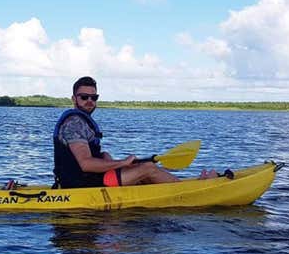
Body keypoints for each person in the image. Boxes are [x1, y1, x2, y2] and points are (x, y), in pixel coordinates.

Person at [53, 76, 218, 188]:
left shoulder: (81, 121)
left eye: (93, 97)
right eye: (84, 97)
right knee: (147, 168)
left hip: (89, 179)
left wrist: (107, 158)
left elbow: (87, 158)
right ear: (74, 99)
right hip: (82, 184)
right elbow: (86, 164)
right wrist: (122, 163)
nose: (89, 101)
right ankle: (190, 190)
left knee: (141, 169)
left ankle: (183, 186)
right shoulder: (74, 123)